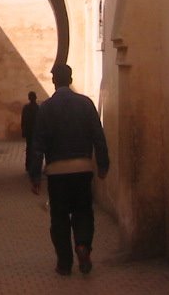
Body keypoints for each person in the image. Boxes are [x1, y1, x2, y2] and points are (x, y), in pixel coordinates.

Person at [27, 63, 110, 276]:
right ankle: (82, 245)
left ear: (54, 81)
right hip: (82, 169)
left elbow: (38, 144)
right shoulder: (85, 104)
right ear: (70, 79)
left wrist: (35, 175)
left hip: (56, 173)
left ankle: (64, 263)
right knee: (83, 211)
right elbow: (98, 136)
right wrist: (102, 164)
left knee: (59, 217)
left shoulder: (46, 108)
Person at [20, 91, 39, 172]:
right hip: (36, 131)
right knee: (35, 149)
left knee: (29, 148)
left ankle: (28, 165)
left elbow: (23, 120)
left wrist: (23, 130)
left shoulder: (26, 108)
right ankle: (34, 166)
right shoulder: (38, 108)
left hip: (29, 131)